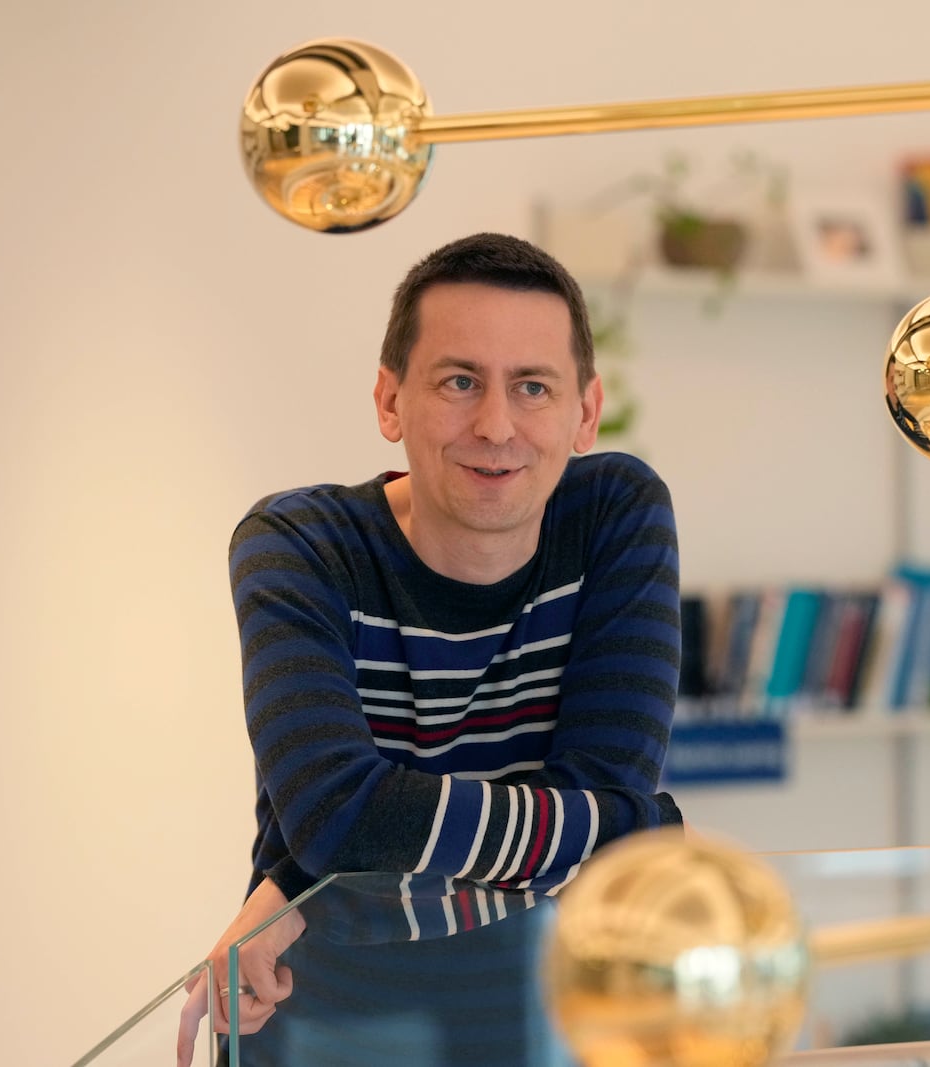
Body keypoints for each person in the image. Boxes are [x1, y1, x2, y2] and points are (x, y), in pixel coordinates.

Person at [176, 232, 683, 1065]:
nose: (495, 424)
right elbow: (340, 816)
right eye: (459, 382)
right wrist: (620, 822)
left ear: (583, 412)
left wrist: (301, 881)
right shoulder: (298, 547)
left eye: (532, 387)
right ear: (389, 401)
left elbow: (350, 835)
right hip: (321, 1015)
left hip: (547, 1004)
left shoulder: (614, 516)